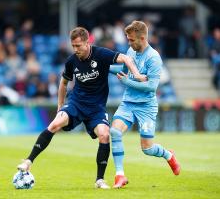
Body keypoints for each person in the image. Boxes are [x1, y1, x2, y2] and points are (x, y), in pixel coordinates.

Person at [17, 26, 145, 189]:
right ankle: (28, 161)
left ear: (87, 42)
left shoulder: (101, 54)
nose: (76, 49)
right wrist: (60, 106)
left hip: (96, 108)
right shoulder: (71, 61)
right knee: (55, 124)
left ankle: (99, 180)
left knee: (104, 135)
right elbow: (63, 83)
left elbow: (127, 59)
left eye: (78, 46)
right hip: (76, 103)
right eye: (73, 46)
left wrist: (138, 75)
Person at [109, 21, 181, 189]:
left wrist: (127, 82)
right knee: (114, 131)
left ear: (142, 38)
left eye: (132, 40)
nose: (129, 43)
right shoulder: (130, 51)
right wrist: (102, 66)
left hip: (146, 107)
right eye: (128, 40)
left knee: (147, 149)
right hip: (128, 103)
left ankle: (169, 155)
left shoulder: (154, 57)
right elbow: (123, 71)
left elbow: (151, 87)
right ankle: (119, 175)